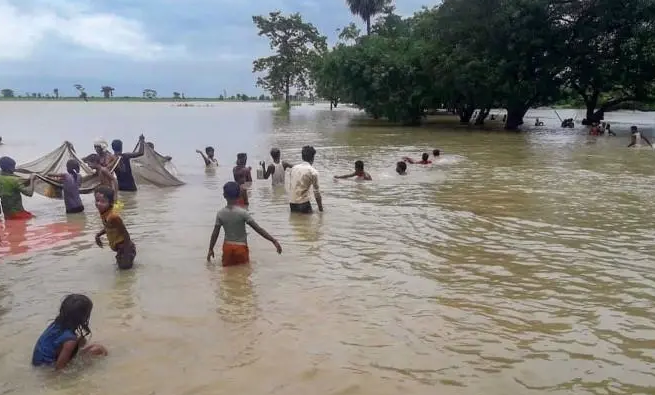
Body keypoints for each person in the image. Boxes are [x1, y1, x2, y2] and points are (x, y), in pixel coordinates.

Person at [207, 182, 282, 265]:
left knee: (227, 273)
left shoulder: (220, 213)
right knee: (243, 274)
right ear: (239, 195)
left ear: (224, 195)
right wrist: (273, 240)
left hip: (227, 247)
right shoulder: (243, 213)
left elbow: (215, 233)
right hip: (241, 247)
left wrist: (211, 249)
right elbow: (258, 229)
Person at [32, 294, 107, 370]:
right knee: (99, 349)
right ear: (83, 317)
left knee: (82, 341)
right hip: (47, 370)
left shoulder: (56, 324)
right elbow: (59, 370)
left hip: (39, 364)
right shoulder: (70, 341)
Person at [94, 186, 136, 270]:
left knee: (125, 275)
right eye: (97, 200)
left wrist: (126, 253)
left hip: (125, 248)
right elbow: (108, 226)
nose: (98, 203)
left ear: (110, 203)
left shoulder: (113, 217)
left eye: (103, 201)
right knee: (125, 272)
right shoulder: (104, 212)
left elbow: (125, 233)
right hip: (121, 249)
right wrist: (98, 235)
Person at [288, 145, 323, 213]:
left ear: (302, 157)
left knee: (296, 222)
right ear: (313, 158)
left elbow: (292, 186)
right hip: (303, 204)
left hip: (292, 203)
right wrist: (321, 210)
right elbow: (317, 193)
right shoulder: (313, 172)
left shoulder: (293, 168)